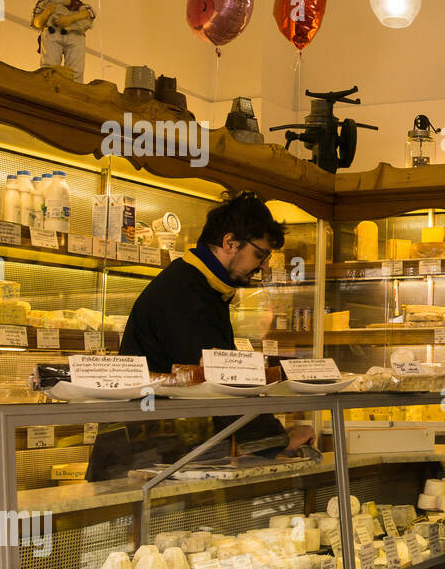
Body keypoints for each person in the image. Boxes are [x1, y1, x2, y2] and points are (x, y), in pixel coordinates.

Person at [87, 191, 313, 479]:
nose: (264, 266)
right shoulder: (185, 292)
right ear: (230, 243)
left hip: (165, 453)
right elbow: (220, 377)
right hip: (136, 461)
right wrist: (275, 441)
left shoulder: (203, 287)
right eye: (260, 254)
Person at [32, 0, 96, 82]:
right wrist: (47, 13)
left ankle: (74, 89)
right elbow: (37, 23)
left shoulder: (82, 7)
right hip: (52, 34)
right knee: (49, 66)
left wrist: (70, 19)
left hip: (75, 35)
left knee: (75, 69)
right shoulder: (45, 2)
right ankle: (48, 84)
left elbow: (89, 14)